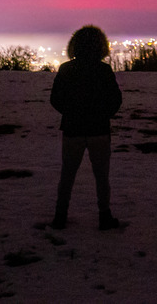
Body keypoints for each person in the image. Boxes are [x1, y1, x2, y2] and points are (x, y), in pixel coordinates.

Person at [49, 25, 122, 230]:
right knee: (101, 177)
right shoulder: (104, 70)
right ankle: (104, 216)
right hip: (99, 130)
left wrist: (71, 113)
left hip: (72, 130)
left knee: (67, 175)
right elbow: (115, 99)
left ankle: (60, 216)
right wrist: (102, 115)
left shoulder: (66, 69)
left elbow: (55, 99)